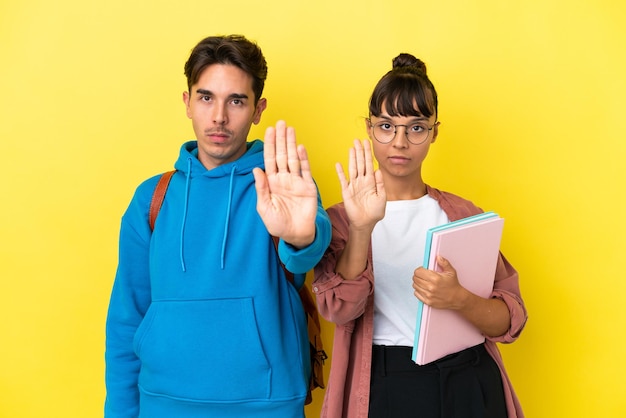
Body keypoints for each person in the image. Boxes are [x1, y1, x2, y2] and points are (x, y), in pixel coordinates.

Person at [104, 35, 332, 417]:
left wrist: (300, 236)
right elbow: (127, 317)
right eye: (206, 97)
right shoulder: (152, 199)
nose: (219, 117)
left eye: (236, 101)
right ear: (187, 103)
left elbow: (308, 247)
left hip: (267, 403)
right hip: (164, 403)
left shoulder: (282, 187)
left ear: (258, 109)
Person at [312, 53, 527, 418]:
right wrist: (363, 228)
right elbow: (339, 309)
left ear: (434, 131)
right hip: (387, 382)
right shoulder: (340, 221)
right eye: (386, 125)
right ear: (368, 128)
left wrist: (460, 299)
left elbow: (511, 320)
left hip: (469, 379)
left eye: (415, 127)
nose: (399, 142)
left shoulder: (463, 216)